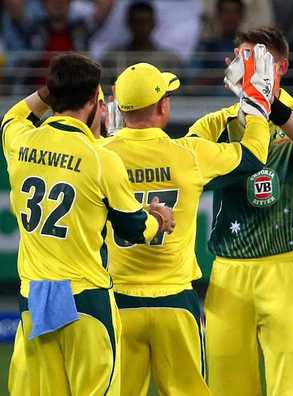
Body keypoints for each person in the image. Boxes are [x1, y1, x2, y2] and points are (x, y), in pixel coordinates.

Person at [100, 46, 274, 396]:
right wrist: (257, 104)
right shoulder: (189, 155)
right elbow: (255, 155)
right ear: (163, 106)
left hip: (118, 301)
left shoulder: (99, 155)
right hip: (175, 303)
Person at [2, 53, 174, 395]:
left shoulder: (20, 142)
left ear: (53, 94)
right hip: (85, 300)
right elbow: (134, 228)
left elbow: (13, 116)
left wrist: (50, 92)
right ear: (96, 99)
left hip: (33, 297)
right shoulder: (100, 158)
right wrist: (158, 219)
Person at [187, 26, 293, 396]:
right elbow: (183, 166)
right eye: (240, 58)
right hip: (228, 272)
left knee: (289, 386)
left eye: (256, 59)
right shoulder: (216, 124)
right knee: (227, 387)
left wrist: (269, 103)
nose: (245, 66)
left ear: (280, 66)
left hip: (288, 268)